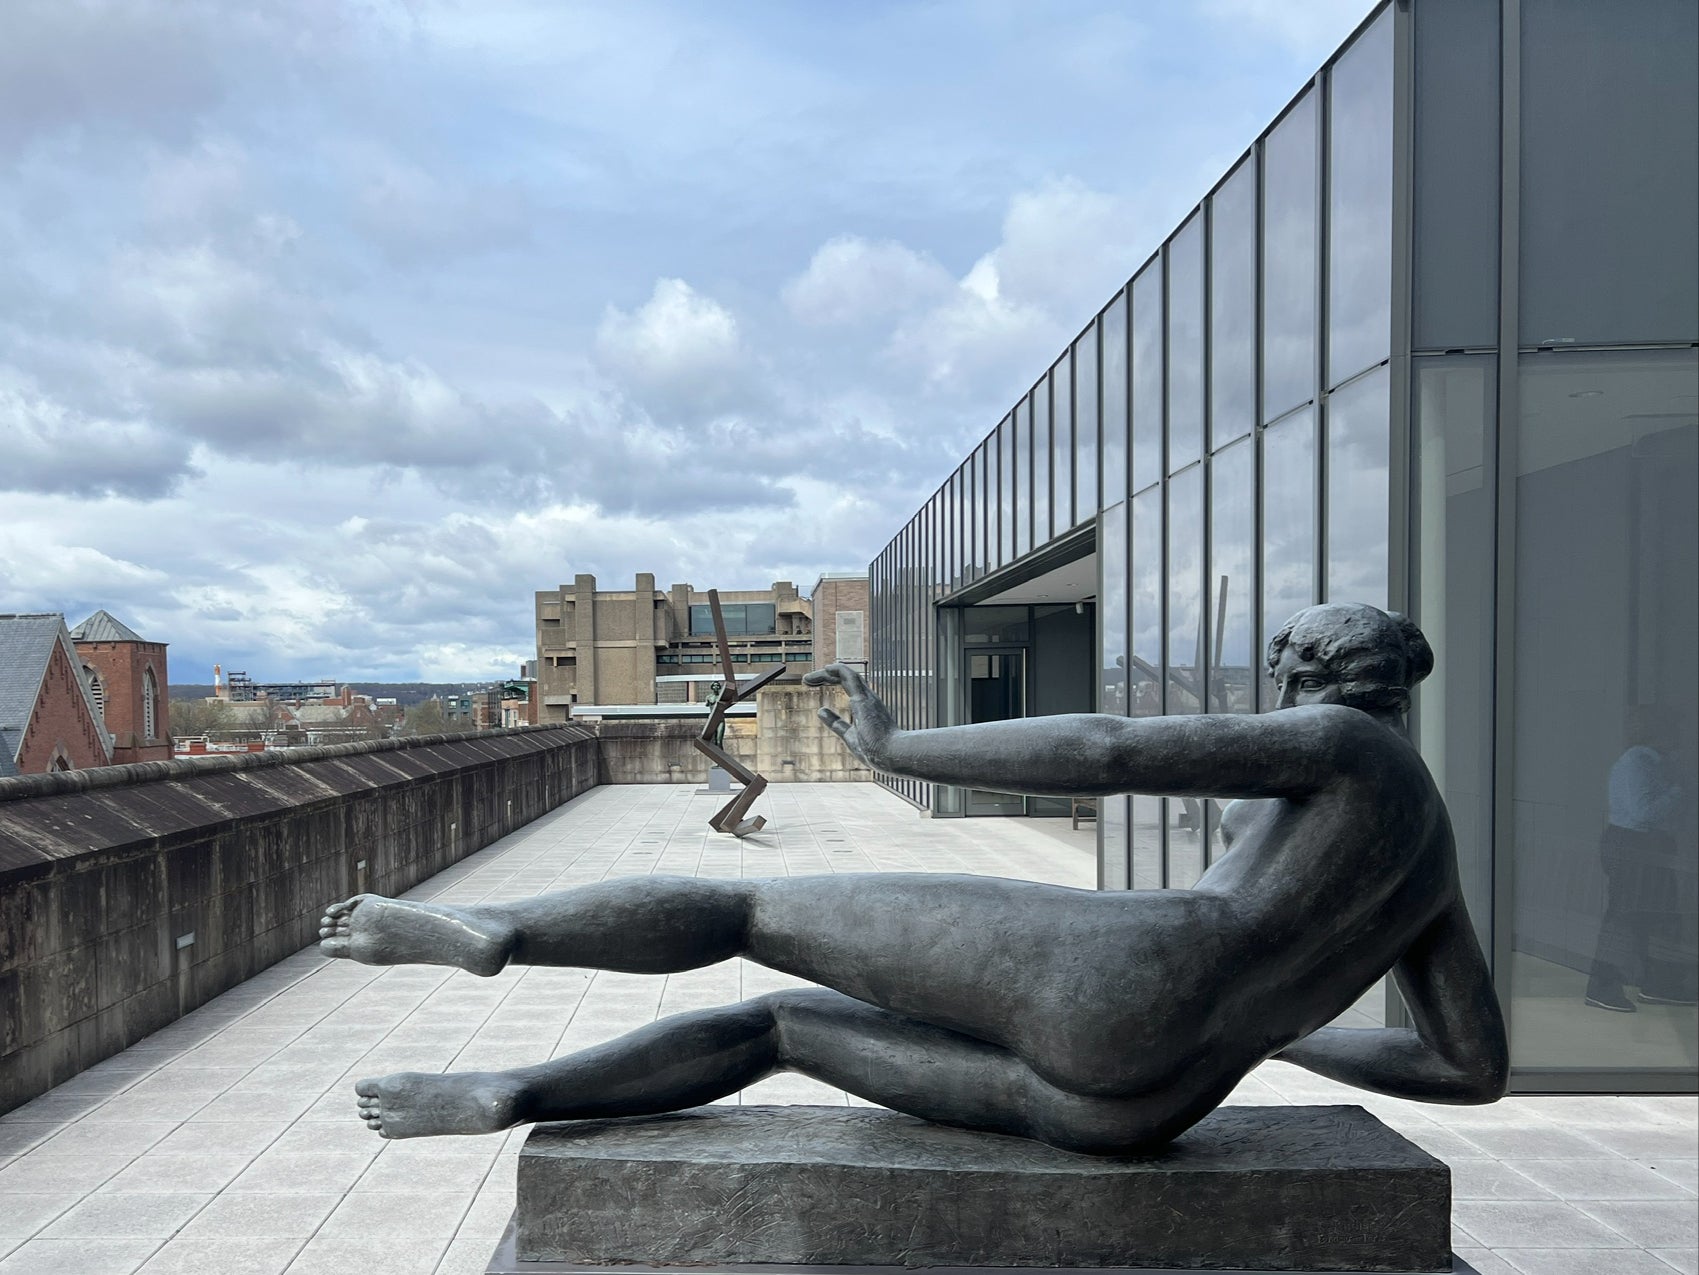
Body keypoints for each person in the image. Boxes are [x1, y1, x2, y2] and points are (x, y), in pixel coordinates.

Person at [319, 602, 1507, 1155]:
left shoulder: (1344, 747)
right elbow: (1462, 1069)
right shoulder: (1431, 853)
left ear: (1311, 674)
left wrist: (901, 754)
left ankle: (491, 929)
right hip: (1145, 1107)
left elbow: (1107, 752)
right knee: (781, 1029)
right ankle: (508, 1094)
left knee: (745, 915)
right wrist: (1276, 1035)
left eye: (1282, 664)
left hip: (1118, 975)